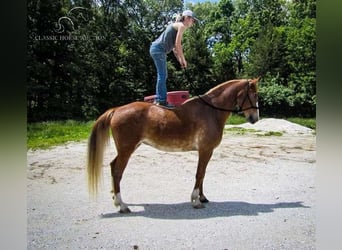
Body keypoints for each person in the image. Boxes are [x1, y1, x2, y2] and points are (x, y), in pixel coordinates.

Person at [149, 10, 199, 108]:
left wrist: (179, 60)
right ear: (187, 18)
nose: (193, 23)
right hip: (159, 50)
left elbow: (175, 49)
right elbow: (178, 44)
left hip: (156, 49)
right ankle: (161, 100)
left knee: (162, 74)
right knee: (162, 74)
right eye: (193, 21)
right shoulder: (181, 26)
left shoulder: (177, 25)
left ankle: (159, 99)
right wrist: (184, 59)